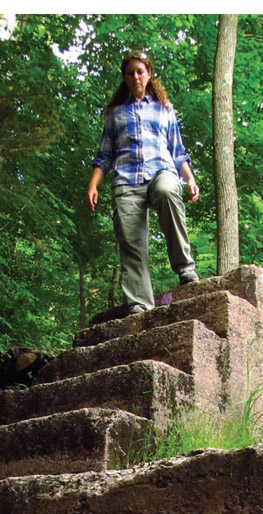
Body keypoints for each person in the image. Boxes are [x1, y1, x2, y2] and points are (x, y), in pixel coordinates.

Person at [86, 49, 200, 315]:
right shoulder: (114, 114)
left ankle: (185, 269)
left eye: (140, 71)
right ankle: (140, 303)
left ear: (149, 74)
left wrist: (190, 179)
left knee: (166, 190)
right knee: (130, 238)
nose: (136, 76)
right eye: (130, 72)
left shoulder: (164, 109)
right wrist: (93, 185)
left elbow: (178, 152)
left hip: (161, 171)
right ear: (125, 78)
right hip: (126, 180)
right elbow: (105, 155)